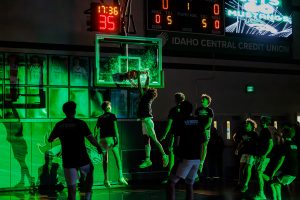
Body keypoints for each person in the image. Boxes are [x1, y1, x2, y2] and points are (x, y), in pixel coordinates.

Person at [48, 101, 102, 200]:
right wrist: (98, 146)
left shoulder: (59, 125)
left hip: (68, 161)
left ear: (64, 111)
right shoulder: (81, 123)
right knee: (90, 171)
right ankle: (88, 195)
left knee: (71, 190)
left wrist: (60, 135)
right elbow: (90, 138)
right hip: (82, 158)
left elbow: (50, 139)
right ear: (74, 111)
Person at [166, 101, 200, 200]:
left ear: (183, 110)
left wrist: (176, 152)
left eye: (180, 109)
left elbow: (176, 139)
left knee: (171, 183)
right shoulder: (198, 121)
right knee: (189, 185)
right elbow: (204, 140)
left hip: (185, 157)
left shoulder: (180, 121)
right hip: (196, 158)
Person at [135, 71, 169, 168]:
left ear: (147, 92)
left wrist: (139, 77)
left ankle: (164, 155)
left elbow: (140, 86)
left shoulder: (146, 97)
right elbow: (145, 85)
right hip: (143, 121)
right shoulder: (146, 97)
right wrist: (147, 76)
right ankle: (148, 160)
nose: (145, 88)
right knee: (146, 140)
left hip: (147, 121)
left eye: (147, 89)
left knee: (154, 140)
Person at [94, 101, 128, 188]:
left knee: (105, 160)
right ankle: (120, 177)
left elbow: (96, 129)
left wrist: (95, 140)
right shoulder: (112, 115)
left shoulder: (100, 117)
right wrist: (117, 138)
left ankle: (106, 180)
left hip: (102, 139)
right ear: (109, 107)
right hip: (111, 138)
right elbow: (115, 127)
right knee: (118, 158)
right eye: (110, 105)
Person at [160, 92, 187, 179]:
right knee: (176, 153)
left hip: (177, 134)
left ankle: (172, 175)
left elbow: (169, 124)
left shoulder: (175, 110)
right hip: (179, 134)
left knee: (173, 152)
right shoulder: (185, 110)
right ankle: (176, 175)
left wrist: (164, 134)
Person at [269, 126, 298, 200]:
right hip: (294, 171)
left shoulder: (285, 145)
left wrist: (274, 171)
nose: (280, 134)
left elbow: (280, 161)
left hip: (288, 172)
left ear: (284, 134)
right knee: (285, 185)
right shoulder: (294, 144)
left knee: (272, 182)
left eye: (282, 132)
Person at [253, 116, 274, 200]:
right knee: (258, 173)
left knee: (258, 173)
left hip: (264, 156)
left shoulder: (266, 131)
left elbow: (271, 144)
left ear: (263, 122)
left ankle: (261, 194)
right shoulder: (263, 131)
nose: (259, 122)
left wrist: (265, 154)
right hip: (262, 155)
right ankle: (271, 181)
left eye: (261, 121)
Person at [234, 118, 258, 192]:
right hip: (244, 153)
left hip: (252, 153)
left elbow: (257, 145)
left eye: (247, 124)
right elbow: (240, 142)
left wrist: (256, 156)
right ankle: (239, 183)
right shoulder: (243, 133)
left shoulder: (254, 134)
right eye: (245, 124)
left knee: (248, 168)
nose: (246, 125)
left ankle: (246, 185)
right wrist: (237, 149)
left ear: (251, 126)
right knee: (241, 168)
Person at [194, 94, 214, 173]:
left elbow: (209, 122)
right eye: (202, 99)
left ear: (207, 102)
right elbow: (195, 120)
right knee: (197, 146)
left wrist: (203, 129)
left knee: (204, 145)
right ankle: (197, 162)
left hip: (205, 130)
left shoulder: (209, 110)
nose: (202, 101)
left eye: (204, 99)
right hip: (197, 130)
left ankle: (201, 163)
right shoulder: (198, 110)